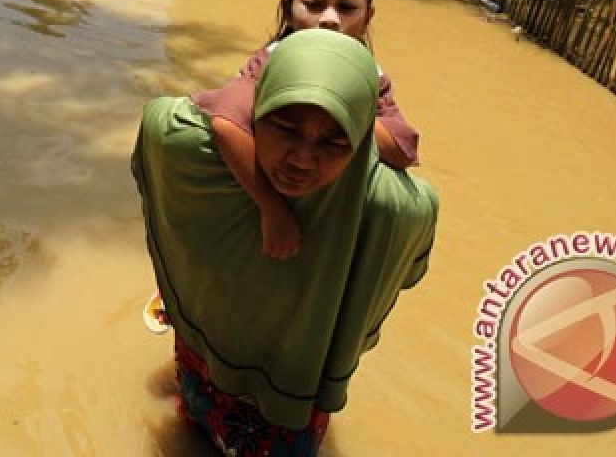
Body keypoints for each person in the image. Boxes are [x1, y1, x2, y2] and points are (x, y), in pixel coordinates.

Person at [132, 29, 439, 456]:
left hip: (249, 378)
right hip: (252, 376)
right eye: (284, 127)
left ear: (361, 141)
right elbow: (173, 126)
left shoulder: (390, 207)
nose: (301, 159)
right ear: (255, 112)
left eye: (333, 141)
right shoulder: (199, 154)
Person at [194, 0, 420, 261]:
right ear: (288, 9)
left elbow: (402, 148)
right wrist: (273, 211)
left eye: (346, 7)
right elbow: (227, 123)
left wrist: (344, 120)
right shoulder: (272, 63)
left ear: (367, 17)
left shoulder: (371, 77)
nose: (329, 19)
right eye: (314, 4)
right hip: (261, 214)